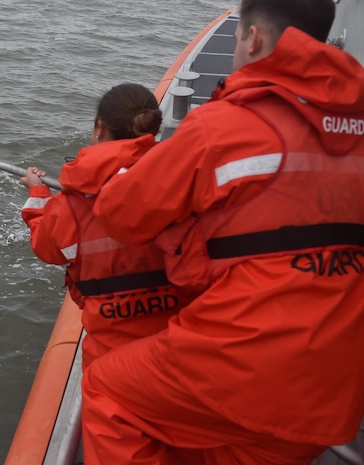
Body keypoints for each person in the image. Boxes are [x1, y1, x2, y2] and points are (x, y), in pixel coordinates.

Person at [81, 0, 364, 464]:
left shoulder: (224, 125)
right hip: (336, 393)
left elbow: (121, 214)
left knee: (108, 390)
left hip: (243, 368)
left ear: (252, 39)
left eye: (236, 38)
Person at [20, 83, 195, 371]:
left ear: (100, 128)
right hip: (184, 330)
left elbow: (48, 249)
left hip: (111, 346)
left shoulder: (72, 205)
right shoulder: (185, 179)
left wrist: (38, 194)